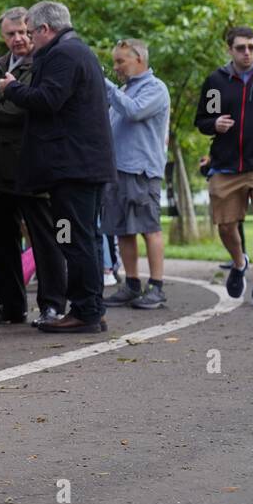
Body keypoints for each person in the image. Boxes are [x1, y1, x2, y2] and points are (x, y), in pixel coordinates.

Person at [0, 1, 115, 334]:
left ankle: (85, 311)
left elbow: (48, 100)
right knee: (85, 238)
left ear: (45, 29)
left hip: (72, 167)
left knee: (74, 238)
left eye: (31, 32)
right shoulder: (78, 51)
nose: (29, 39)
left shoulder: (63, 55)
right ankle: (91, 307)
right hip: (85, 164)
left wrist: (13, 88)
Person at [0, 7, 67, 327]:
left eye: (24, 32)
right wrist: (2, 95)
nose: (18, 39)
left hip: (32, 167)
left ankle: (52, 305)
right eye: (11, 34)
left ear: (35, 30)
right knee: (1, 242)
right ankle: (11, 307)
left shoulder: (45, 63)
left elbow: (18, 111)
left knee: (43, 238)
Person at [194, 26, 253, 304]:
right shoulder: (217, 82)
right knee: (225, 226)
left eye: (252, 47)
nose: (247, 53)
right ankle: (239, 263)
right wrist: (215, 123)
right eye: (240, 48)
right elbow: (202, 120)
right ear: (229, 50)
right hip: (226, 166)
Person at [100, 39, 170, 309]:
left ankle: (157, 287)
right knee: (122, 231)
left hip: (141, 171)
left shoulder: (155, 88)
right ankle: (131, 284)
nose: (116, 67)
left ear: (139, 58)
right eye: (115, 61)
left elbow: (134, 111)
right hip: (117, 171)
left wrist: (104, 85)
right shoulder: (124, 90)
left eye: (121, 61)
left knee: (149, 228)